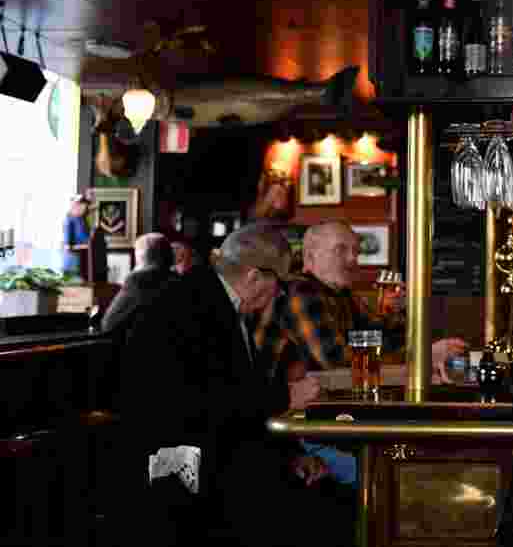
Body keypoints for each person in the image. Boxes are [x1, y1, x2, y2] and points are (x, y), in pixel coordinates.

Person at [117, 222, 350, 547]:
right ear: (255, 276)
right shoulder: (191, 307)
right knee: (332, 509)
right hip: (184, 472)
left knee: (329, 494)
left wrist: (289, 455)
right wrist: (287, 396)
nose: (279, 294)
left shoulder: (214, 299)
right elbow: (209, 402)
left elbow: (236, 396)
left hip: (216, 453)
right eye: (278, 285)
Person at [252, 218, 466, 382]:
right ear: (310, 257)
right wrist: (424, 357)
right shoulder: (300, 290)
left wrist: (400, 310)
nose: (353, 259)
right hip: (288, 421)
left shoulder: (342, 294)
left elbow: (384, 338)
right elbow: (339, 364)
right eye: (341, 250)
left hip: (324, 409)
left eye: (356, 251)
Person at [101, 233, 176, 338]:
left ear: (140, 258)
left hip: (141, 350)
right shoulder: (178, 280)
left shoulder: (138, 280)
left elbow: (108, 324)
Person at [62, 194, 91, 273]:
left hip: (84, 260)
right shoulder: (69, 220)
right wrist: (87, 246)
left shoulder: (82, 219)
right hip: (73, 262)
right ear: (75, 205)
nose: (84, 208)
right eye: (82, 205)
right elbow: (67, 246)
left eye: (85, 205)